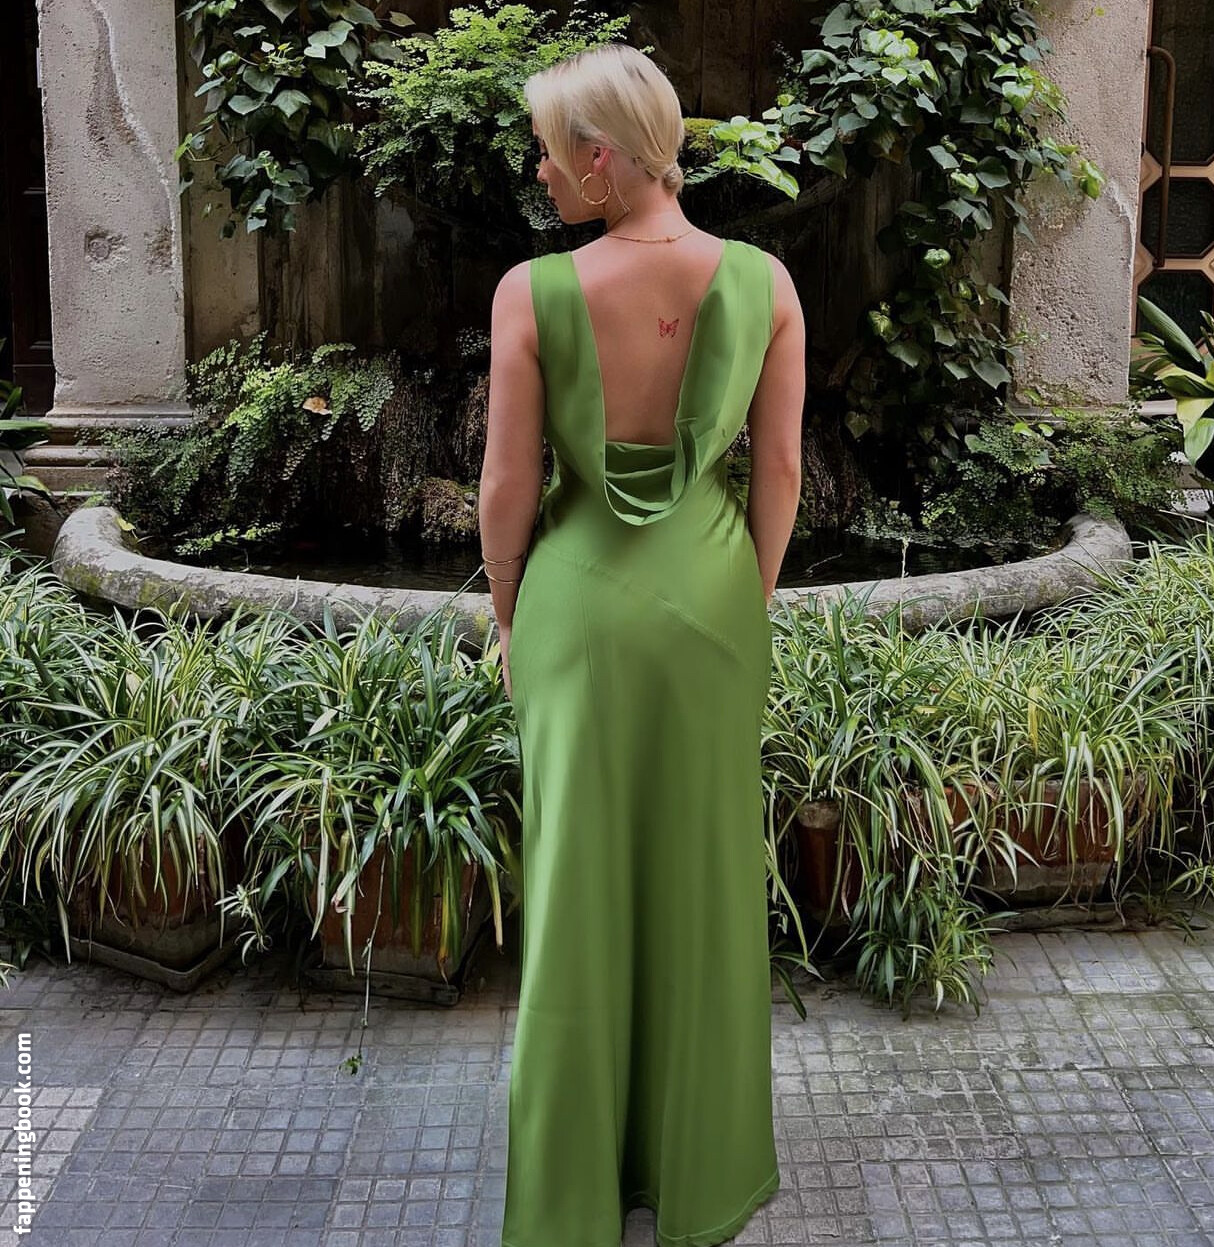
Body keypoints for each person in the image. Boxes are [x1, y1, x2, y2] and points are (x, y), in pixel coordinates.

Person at [479, 40, 805, 1247]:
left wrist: (507, 613)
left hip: (575, 607)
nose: (541, 172)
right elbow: (780, 470)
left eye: (549, 152)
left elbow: (508, 486)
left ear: (600, 157)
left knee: (577, 880)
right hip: (712, 599)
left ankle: (574, 1187)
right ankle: (695, 1170)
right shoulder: (766, 283)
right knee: (704, 879)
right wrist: (743, 599)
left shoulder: (533, 294)